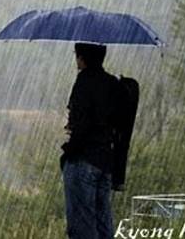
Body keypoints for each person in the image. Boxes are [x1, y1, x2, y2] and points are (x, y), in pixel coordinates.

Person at [60, 43, 121, 239]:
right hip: (104, 163)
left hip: (83, 161)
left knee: (81, 227)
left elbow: (82, 124)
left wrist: (68, 152)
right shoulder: (112, 83)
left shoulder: (84, 82)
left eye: (77, 55)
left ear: (82, 57)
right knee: (103, 223)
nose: (75, 59)